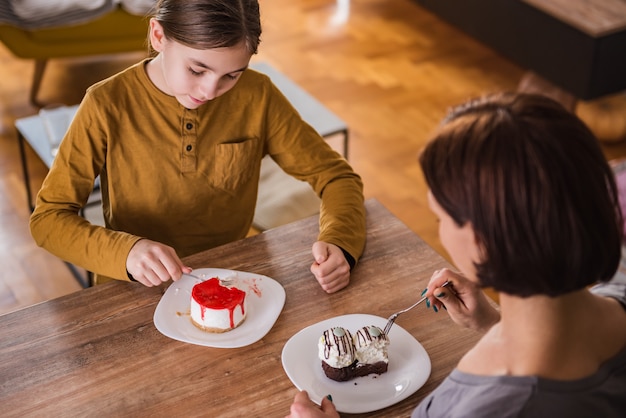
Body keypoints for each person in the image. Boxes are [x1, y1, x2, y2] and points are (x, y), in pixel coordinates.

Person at [285, 92, 626, 417]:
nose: (441, 231)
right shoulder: (617, 297)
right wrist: (493, 322)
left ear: (482, 241)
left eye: (441, 218)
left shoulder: (494, 407)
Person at [29, 0, 366, 292]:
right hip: (132, 286)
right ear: (158, 36)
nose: (209, 91)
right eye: (197, 69)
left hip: (232, 276)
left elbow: (337, 177)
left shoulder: (257, 95)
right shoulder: (105, 104)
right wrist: (126, 253)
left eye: (231, 75)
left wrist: (340, 241)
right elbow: (48, 219)